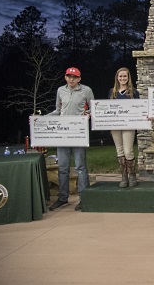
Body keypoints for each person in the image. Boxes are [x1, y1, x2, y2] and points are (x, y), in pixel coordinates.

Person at [47, 67, 95, 211]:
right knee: (62, 168)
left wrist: (88, 114)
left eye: (74, 77)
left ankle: (83, 197)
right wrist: (40, 119)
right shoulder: (60, 90)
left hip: (78, 132)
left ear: (79, 79)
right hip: (63, 133)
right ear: (66, 77)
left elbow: (93, 108)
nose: (72, 79)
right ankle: (62, 198)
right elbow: (57, 111)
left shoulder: (86, 90)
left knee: (80, 167)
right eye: (69, 77)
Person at [108, 67, 140, 187]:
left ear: (128, 78)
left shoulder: (133, 92)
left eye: (125, 76)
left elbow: (139, 108)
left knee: (128, 151)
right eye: (120, 76)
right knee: (120, 150)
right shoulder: (112, 92)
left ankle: (132, 174)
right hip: (115, 125)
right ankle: (124, 176)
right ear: (117, 77)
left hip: (129, 125)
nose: (122, 78)